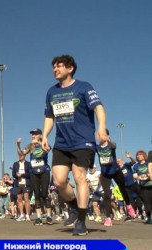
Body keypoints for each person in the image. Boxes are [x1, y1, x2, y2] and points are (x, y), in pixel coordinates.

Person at [41, 54, 107, 236]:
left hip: (83, 141)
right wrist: (45, 135)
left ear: (70, 69)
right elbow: (49, 116)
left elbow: (99, 107)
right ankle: (73, 207)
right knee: (59, 181)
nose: (55, 69)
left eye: (59, 66)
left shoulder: (84, 87)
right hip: (61, 143)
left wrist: (101, 127)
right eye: (53, 66)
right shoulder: (51, 92)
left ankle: (81, 221)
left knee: (80, 177)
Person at [96, 129, 136, 226]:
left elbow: (114, 145)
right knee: (106, 195)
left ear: (108, 135)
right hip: (105, 174)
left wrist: (108, 140)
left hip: (116, 172)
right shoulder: (97, 147)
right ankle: (108, 218)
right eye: (98, 135)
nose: (100, 136)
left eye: (102, 135)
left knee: (123, 189)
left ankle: (129, 206)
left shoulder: (111, 145)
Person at [17, 129, 53, 226]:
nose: (33, 135)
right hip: (33, 172)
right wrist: (18, 144)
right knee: (36, 194)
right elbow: (21, 154)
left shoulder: (44, 143)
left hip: (44, 170)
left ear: (40, 135)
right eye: (32, 134)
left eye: (35, 134)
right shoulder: (30, 145)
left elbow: (48, 149)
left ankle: (49, 216)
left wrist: (38, 142)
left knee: (44, 193)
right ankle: (38, 217)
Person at [133, 150, 152, 224]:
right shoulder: (136, 166)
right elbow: (134, 175)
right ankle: (149, 218)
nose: (139, 156)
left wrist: (148, 176)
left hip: (151, 184)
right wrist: (139, 177)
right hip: (143, 186)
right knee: (146, 202)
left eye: (140, 154)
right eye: (137, 155)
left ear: (144, 156)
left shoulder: (148, 163)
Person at [12, 153, 32, 221]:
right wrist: (16, 175)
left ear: (24, 156)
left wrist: (22, 175)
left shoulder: (28, 164)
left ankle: (27, 215)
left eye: (21, 155)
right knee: (19, 199)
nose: (20, 156)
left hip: (26, 183)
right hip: (18, 184)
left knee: (26, 199)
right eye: (19, 155)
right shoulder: (15, 164)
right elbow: (13, 174)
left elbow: (30, 174)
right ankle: (21, 214)